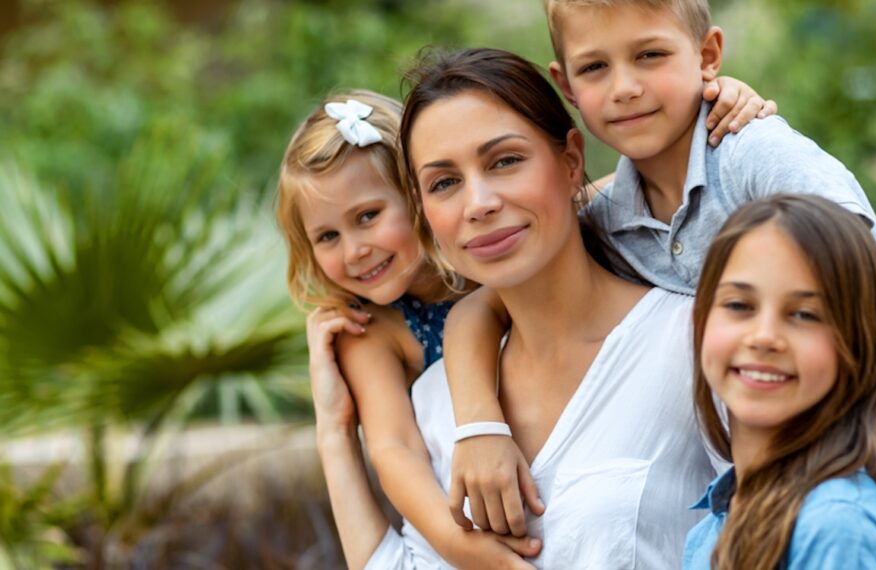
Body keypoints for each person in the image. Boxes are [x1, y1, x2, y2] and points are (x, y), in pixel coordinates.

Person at [441, 2, 876, 566]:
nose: (625, 87)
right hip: (793, 494)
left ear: (709, 54)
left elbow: (861, 265)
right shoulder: (610, 218)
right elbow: (483, 305)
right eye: (596, 67)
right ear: (566, 85)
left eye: (650, 55)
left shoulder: (754, 154)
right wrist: (479, 424)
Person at [276, 83, 773, 567]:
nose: (355, 249)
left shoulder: (680, 339)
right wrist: (457, 544)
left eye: (368, 216)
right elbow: (393, 449)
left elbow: (637, 185)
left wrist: (715, 101)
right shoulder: (383, 340)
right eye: (326, 236)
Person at [684, 194, 876, 568]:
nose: (764, 336)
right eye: (739, 306)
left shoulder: (838, 527)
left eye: (805, 314)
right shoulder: (709, 531)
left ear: (857, 346)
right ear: (699, 324)